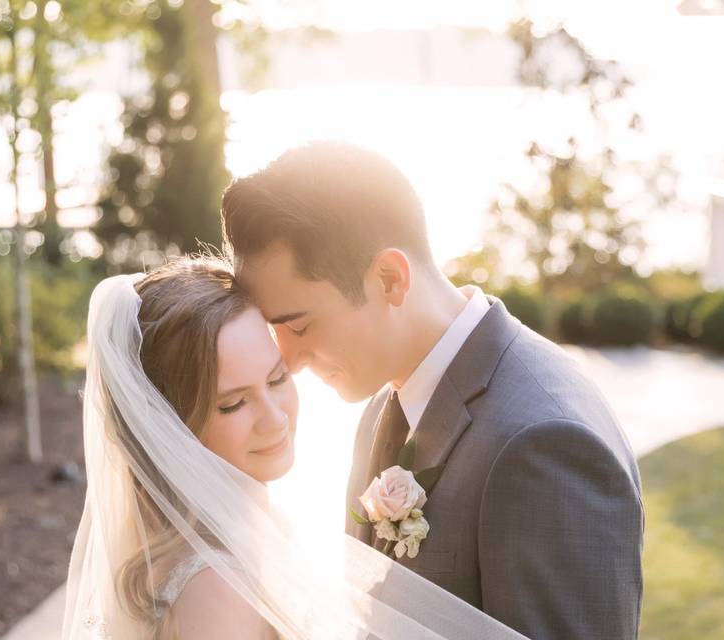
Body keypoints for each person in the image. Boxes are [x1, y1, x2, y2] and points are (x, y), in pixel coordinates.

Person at [222, 141, 645, 640]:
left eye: (299, 325)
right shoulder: (386, 401)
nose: (287, 361)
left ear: (389, 279)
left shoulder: (545, 446)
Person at [62, 257, 527, 640]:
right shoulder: (216, 589)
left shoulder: (228, 536)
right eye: (234, 403)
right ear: (170, 425)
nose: (276, 417)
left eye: (277, 378)